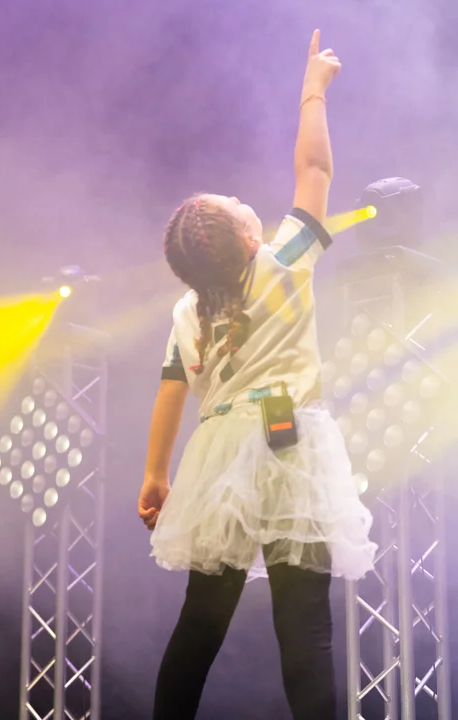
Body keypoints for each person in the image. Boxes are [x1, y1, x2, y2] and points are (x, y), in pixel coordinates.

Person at [137, 31, 377, 719]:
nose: (246, 200)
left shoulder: (188, 310)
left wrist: (155, 475)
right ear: (247, 239)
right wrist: (313, 89)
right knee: (304, 627)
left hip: (219, 458)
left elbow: (170, 390)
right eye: (236, 204)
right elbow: (314, 168)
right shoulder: (284, 262)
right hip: (289, 444)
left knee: (201, 622)